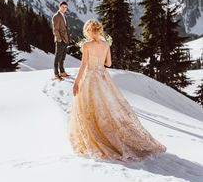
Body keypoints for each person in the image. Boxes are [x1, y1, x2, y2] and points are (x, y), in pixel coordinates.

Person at [68, 19, 167, 163]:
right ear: (99, 30)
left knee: (88, 108)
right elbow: (108, 63)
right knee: (107, 108)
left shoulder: (86, 45)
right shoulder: (106, 44)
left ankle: (95, 138)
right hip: (103, 78)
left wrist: (76, 82)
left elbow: (84, 65)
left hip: (90, 78)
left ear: (89, 31)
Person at [51, 1, 70, 80]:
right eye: (63, 7)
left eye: (66, 7)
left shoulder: (63, 15)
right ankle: (56, 74)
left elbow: (64, 28)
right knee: (57, 58)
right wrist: (59, 39)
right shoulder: (56, 16)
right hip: (60, 40)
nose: (64, 9)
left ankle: (62, 72)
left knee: (62, 58)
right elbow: (55, 29)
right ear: (59, 7)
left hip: (65, 40)